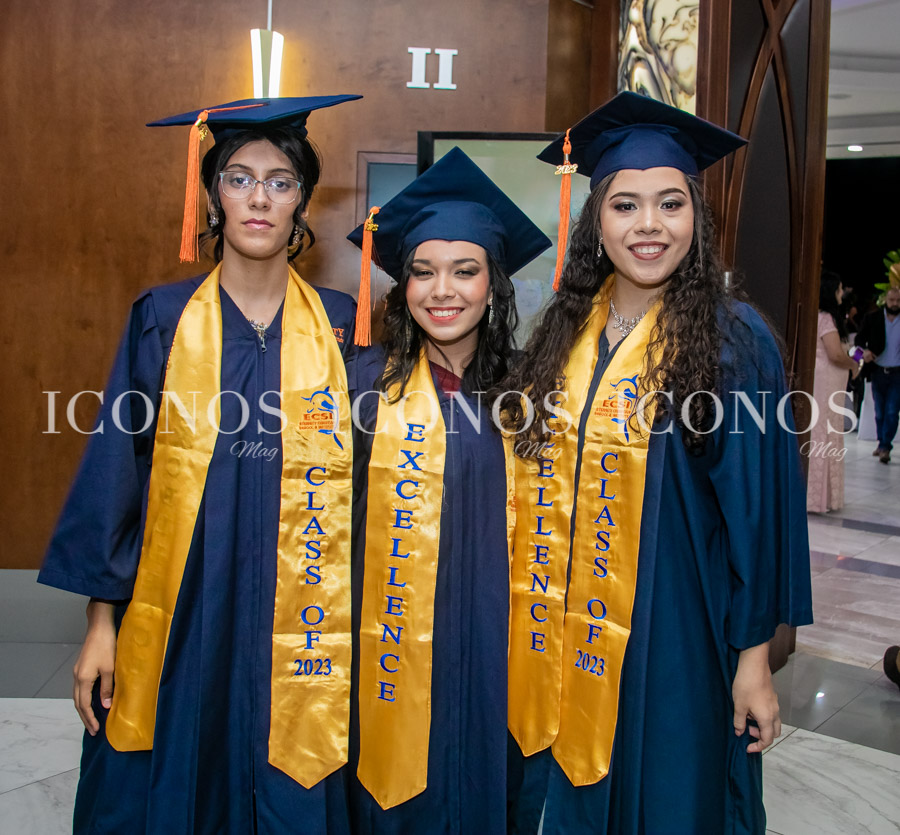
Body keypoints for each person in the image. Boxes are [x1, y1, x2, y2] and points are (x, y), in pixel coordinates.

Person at [38, 94, 362, 834]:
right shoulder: (161, 316)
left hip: (302, 603)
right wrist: (100, 624)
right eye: (239, 178)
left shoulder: (343, 325)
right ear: (212, 196)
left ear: (301, 201)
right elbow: (118, 475)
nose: (259, 198)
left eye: (280, 181)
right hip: (185, 602)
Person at [501, 92, 813, 834]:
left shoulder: (734, 339)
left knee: (670, 796)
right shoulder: (566, 333)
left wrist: (753, 661)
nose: (649, 225)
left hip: (677, 631)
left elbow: (758, 516)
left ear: (696, 219)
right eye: (626, 205)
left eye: (671, 204)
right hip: (562, 624)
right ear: (596, 221)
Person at [345, 147, 551, 833]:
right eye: (423, 271)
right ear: (401, 285)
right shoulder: (360, 385)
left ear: (495, 286)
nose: (443, 290)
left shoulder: (532, 392)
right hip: (389, 645)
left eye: (465, 271)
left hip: (499, 646)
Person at [807, 271, 861, 512]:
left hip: (829, 385)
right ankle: (818, 498)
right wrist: (854, 364)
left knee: (825, 432)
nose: (842, 293)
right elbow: (835, 354)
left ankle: (822, 496)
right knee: (824, 434)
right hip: (826, 384)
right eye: (839, 289)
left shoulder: (820, 316)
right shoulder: (826, 318)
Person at [855, 285, 900, 463]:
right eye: (892, 300)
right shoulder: (872, 318)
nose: (895, 303)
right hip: (877, 371)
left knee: (892, 411)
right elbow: (857, 341)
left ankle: (885, 446)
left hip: (897, 373)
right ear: (885, 300)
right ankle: (881, 442)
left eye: (898, 300)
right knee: (880, 411)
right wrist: (863, 354)